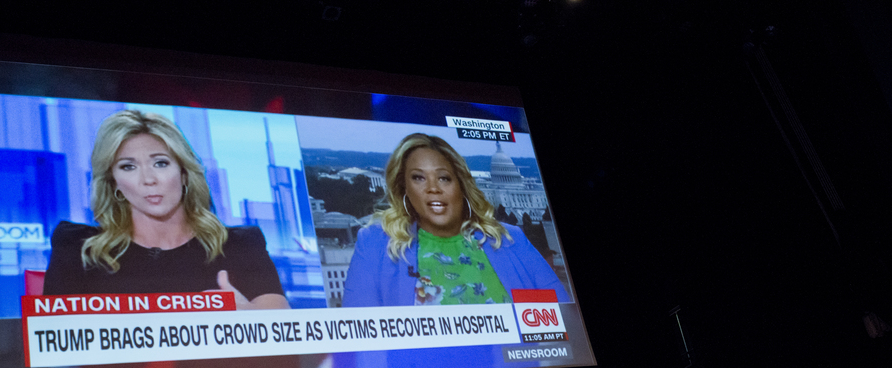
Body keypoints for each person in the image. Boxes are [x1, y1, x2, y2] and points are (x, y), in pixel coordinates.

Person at [44, 109, 289, 310]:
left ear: (184, 173)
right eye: (128, 167)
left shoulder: (241, 245)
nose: (148, 179)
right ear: (114, 182)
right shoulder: (78, 248)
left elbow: (284, 331)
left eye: (160, 163)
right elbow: (51, 345)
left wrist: (249, 315)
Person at [342, 133, 569, 307]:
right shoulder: (375, 244)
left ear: (461, 186)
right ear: (404, 189)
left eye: (444, 178)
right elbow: (360, 344)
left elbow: (562, 320)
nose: (433, 188)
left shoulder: (509, 240)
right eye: (419, 178)